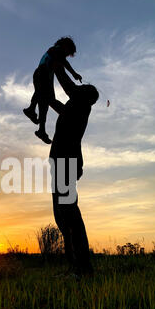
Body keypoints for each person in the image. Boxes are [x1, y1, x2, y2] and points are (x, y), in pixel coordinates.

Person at [49, 69, 99, 278]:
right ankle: (76, 267)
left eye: (81, 89)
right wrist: (47, 98)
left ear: (84, 96)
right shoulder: (74, 108)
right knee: (61, 215)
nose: (76, 89)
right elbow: (57, 105)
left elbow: (69, 87)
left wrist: (56, 66)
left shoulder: (81, 105)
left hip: (66, 163)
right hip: (62, 162)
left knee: (69, 213)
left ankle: (83, 269)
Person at [23, 37, 83, 145]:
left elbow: (61, 66)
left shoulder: (55, 53)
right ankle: (32, 111)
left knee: (44, 102)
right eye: (68, 52)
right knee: (46, 99)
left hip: (44, 75)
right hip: (43, 74)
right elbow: (64, 63)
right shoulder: (56, 49)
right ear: (65, 46)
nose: (67, 55)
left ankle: (40, 128)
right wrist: (74, 73)